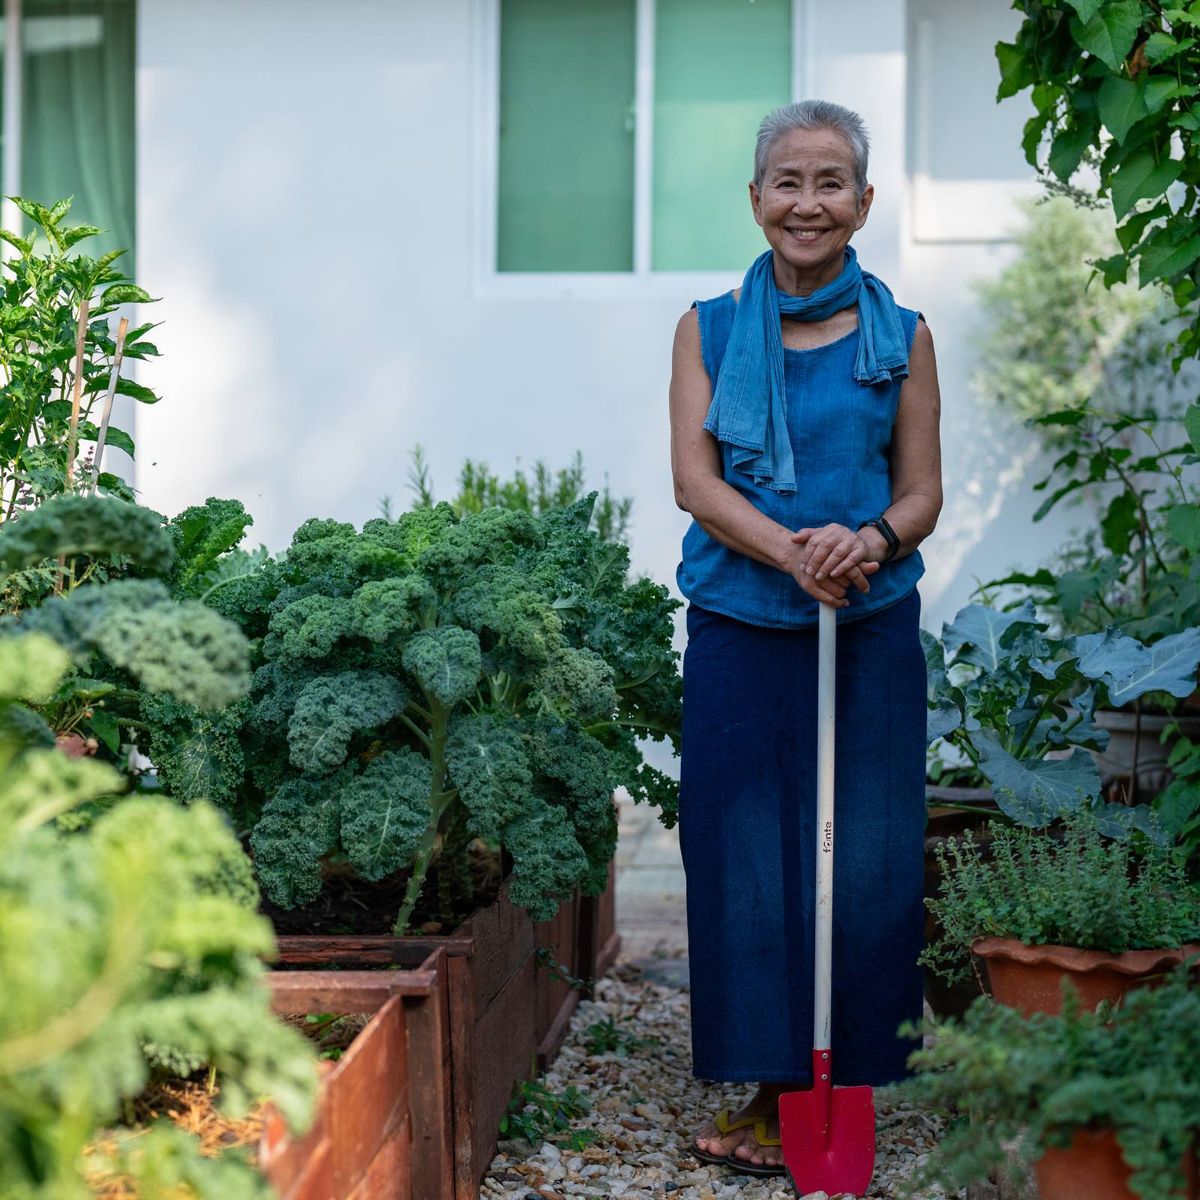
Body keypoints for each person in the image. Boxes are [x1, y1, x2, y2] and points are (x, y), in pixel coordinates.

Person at [668, 99, 943, 1178]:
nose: (808, 203)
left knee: (866, 856)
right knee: (743, 853)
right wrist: (794, 553)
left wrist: (865, 540)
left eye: (832, 183)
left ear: (864, 203)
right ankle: (766, 1079)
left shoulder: (905, 336)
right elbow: (696, 480)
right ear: (755, 200)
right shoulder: (708, 327)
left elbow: (920, 493)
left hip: (868, 624)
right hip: (744, 621)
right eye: (788, 181)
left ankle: (843, 1077)